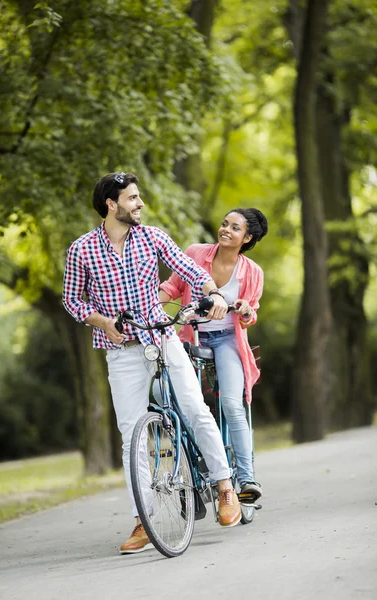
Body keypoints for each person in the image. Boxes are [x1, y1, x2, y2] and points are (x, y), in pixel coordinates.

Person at [63, 172, 243, 555]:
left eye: (139, 197)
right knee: (132, 436)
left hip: (161, 337)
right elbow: (73, 301)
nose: (139, 203)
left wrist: (212, 294)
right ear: (111, 204)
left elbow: (191, 271)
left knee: (195, 409)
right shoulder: (82, 250)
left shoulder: (153, 237)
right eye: (132, 198)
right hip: (122, 349)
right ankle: (143, 518)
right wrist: (102, 321)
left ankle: (225, 487)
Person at [159, 207, 268, 501]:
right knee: (188, 409)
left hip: (228, 340)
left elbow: (250, 314)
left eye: (235, 228)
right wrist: (149, 303)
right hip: (190, 337)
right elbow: (172, 287)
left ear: (247, 237)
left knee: (232, 405)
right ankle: (197, 472)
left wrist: (245, 311)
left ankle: (246, 480)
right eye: (224, 224)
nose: (225, 230)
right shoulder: (195, 253)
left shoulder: (252, 272)